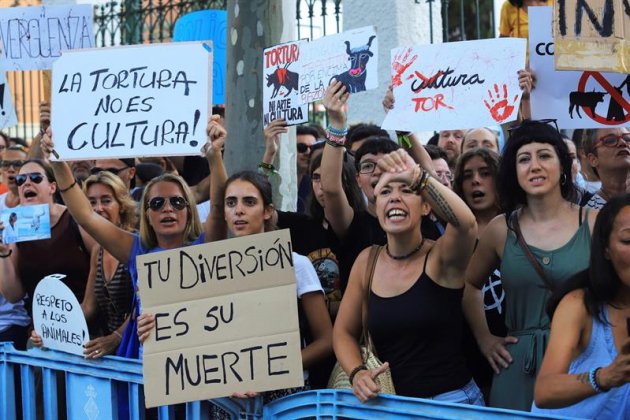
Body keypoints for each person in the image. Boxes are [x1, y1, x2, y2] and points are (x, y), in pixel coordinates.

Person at [39, 116, 226, 359]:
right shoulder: (137, 249)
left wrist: (214, 156)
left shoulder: (206, 244)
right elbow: (86, 216)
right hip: (146, 366)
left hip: (201, 363)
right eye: (157, 203)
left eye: (177, 202)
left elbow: (220, 207)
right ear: (146, 214)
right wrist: (58, 163)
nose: (167, 208)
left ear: (189, 209)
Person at [462, 119, 597, 411]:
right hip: (517, 368)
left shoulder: (595, 223)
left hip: (582, 360)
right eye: (524, 159)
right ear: (514, 171)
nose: (534, 165)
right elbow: (470, 284)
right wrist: (485, 340)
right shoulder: (500, 229)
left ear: (563, 165)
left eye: (544, 155)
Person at [333, 147, 481, 404]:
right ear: (376, 205)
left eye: (406, 190)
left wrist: (420, 178)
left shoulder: (442, 258)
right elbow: (343, 332)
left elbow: (466, 225)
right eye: (385, 192)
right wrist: (357, 373)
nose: (394, 198)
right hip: (392, 406)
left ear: (426, 206)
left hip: (452, 403)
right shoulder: (367, 261)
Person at [532, 195, 630, 417]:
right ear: (605, 249)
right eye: (628, 241)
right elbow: (544, 391)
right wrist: (605, 376)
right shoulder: (578, 305)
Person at [30, 171, 136, 359]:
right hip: (109, 353)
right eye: (92, 202)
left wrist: (116, 337)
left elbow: (145, 307)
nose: (98, 208)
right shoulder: (98, 250)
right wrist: (50, 330)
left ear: (122, 205)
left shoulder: (138, 243)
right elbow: (88, 307)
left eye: (106, 200)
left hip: (137, 347)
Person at [0, 159, 95, 312]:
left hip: (85, 321)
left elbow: (100, 263)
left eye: (36, 178)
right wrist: (3, 254)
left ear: (52, 187)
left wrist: (88, 309)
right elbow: (14, 295)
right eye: (21, 179)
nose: (27, 183)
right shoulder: (15, 227)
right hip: (41, 328)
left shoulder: (74, 219)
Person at [453, 148, 506, 398]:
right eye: (467, 175)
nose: (476, 180)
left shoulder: (521, 226)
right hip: (466, 356)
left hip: (514, 349)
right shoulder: (452, 237)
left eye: (485, 173)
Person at [582, 128, 630, 210]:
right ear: (593, 159)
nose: (623, 143)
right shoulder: (588, 213)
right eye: (610, 140)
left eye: (627, 138)